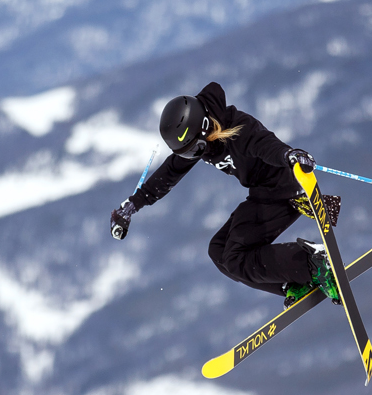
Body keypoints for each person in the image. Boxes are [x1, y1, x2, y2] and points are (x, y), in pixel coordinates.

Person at [110, 82, 342, 303]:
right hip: (262, 194)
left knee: (235, 257)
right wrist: (133, 205)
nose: (195, 156)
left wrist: (288, 156)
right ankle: (293, 284)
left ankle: (312, 263)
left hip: (284, 191)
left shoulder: (238, 129)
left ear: (204, 129)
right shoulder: (205, 142)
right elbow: (170, 171)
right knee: (219, 250)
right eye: (188, 153)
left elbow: (265, 144)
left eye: (195, 150)